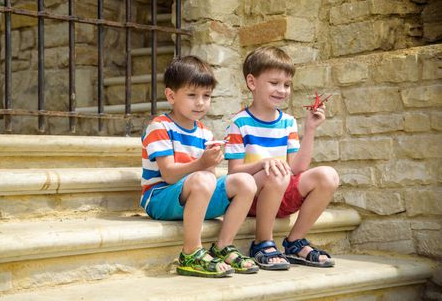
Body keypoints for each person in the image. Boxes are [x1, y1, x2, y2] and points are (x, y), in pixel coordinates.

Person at [140, 55, 259, 278]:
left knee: (245, 181)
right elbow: (168, 175)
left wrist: (210, 164)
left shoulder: (204, 132)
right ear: (171, 96)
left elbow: (209, 180)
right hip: (160, 198)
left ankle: (223, 246)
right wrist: (201, 164)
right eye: (192, 95)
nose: (200, 102)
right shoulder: (159, 126)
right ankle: (191, 253)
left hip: (192, 195)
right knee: (203, 178)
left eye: (206, 96)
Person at [224, 46, 339, 270]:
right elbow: (233, 172)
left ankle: (295, 242)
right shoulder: (240, 123)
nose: (282, 90)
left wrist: (310, 129)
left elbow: (297, 168)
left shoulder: (287, 121)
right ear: (252, 82)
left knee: (328, 176)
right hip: (252, 198)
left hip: (281, 190)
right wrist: (263, 164)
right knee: (275, 173)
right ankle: (262, 242)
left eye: (286, 85)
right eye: (274, 83)